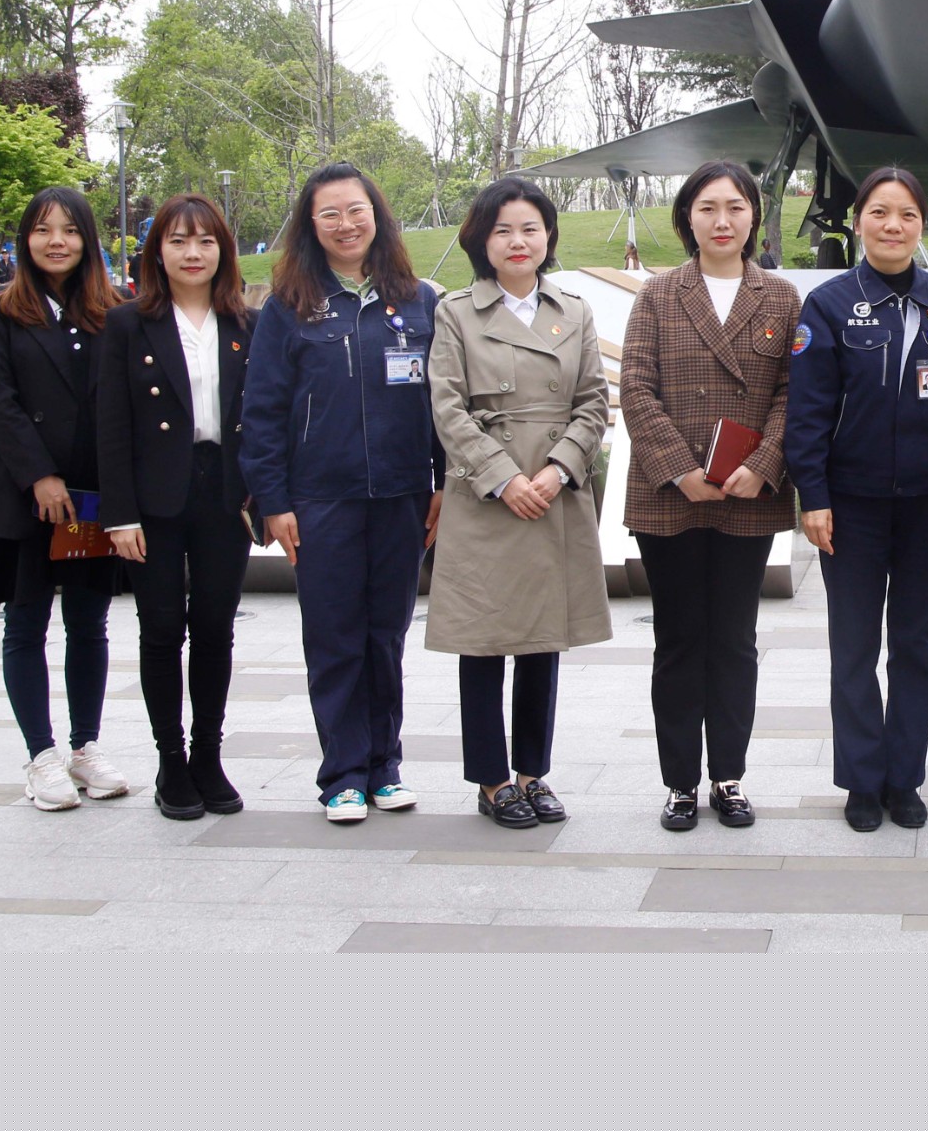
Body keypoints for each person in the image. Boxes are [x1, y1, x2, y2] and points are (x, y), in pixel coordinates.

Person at [240, 163, 444, 824]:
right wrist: (274, 501)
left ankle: (385, 768)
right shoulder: (288, 306)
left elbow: (445, 403)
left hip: (402, 495)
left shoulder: (420, 300)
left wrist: (441, 481)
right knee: (334, 638)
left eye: (356, 210)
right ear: (311, 225)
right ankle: (343, 777)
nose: (346, 224)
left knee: (385, 636)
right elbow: (262, 411)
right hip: (319, 500)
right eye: (329, 213)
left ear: (376, 215)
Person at [786, 167, 928, 832]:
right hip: (852, 506)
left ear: (923, 225)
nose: (893, 226)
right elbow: (807, 412)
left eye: (908, 215)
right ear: (858, 220)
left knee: (916, 648)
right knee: (855, 648)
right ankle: (862, 782)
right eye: (880, 213)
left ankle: (904, 779)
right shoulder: (829, 304)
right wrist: (813, 495)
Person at [619, 160, 799, 832]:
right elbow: (635, 387)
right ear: (686, 218)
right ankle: (679, 783)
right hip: (671, 495)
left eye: (735, 207)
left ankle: (728, 775)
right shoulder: (658, 295)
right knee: (678, 640)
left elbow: (794, 392)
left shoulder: (781, 297)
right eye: (707, 208)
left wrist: (763, 462)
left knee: (734, 640)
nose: (722, 221)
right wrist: (678, 469)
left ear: (754, 216)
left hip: (747, 494)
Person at [425, 177, 609, 828]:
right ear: (481, 240)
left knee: (541, 639)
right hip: (486, 496)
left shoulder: (574, 311)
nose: (517, 241)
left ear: (548, 236)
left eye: (530, 228)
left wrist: (558, 471)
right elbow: (447, 407)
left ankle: (533, 772)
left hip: (554, 492)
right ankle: (492, 780)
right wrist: (504, 478)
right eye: (502, 229)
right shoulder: (455, 311)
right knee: (482, 640)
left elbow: (593, 401)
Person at [97, 193, 255, 820]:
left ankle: (207, 757)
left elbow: (265, 418)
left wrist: (264, 495)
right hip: (153, 496)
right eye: (178, 241)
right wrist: (119, 514)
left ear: (224, 251)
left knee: (215, 627)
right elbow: (111, 424)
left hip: (225, 492)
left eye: (206, 241)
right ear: (156, 251)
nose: (193, 253)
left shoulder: (247, 322)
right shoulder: (127, 323)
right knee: (161, 629)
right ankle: (170, 762)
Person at [0, 186, 131, 810]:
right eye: (43, 230)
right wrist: (39, 475)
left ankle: (84, 748)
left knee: (89, 623)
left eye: (68, 230)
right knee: (25, 622)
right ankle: (41, 756)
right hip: (25, 494)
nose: (56, 241)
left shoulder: (116, 309)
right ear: (25, 240)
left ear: (88, 240)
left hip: (92, 494)